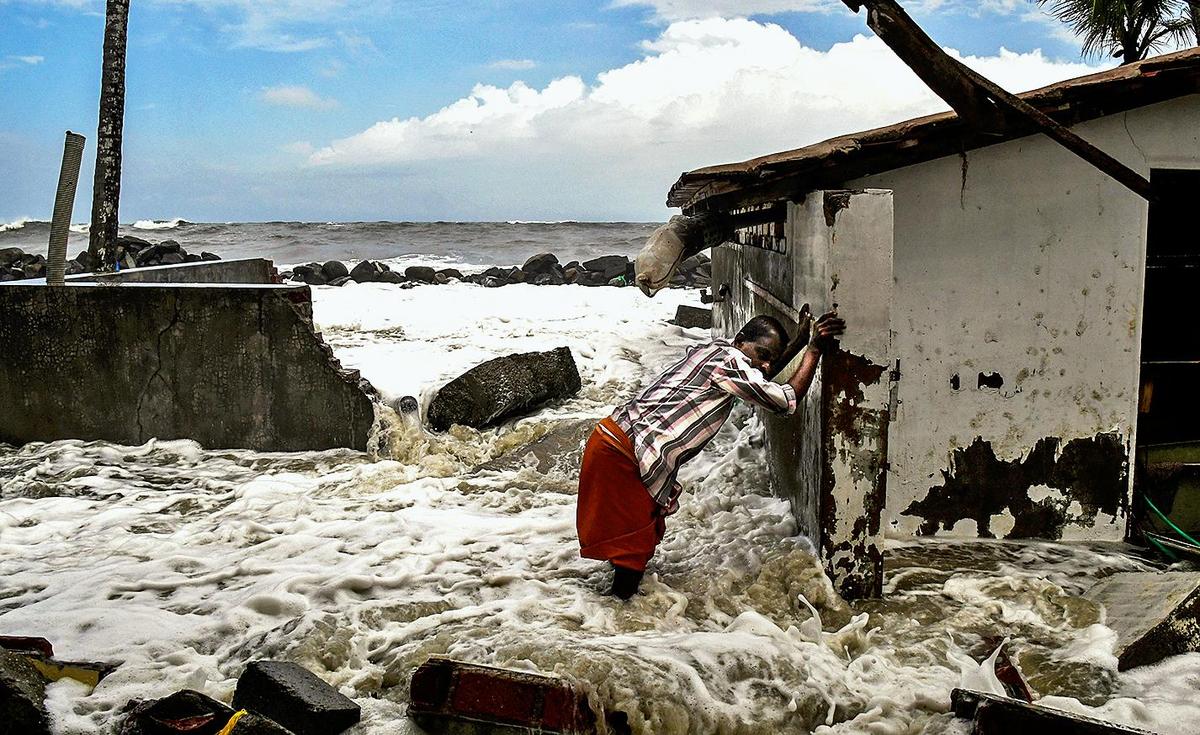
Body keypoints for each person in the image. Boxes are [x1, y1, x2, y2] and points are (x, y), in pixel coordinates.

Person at [576, 308, 846, 599]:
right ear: (740, 342)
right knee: (633, 546)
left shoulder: (718, 351)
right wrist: (813, 350)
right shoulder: (731, 363)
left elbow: (760, 377)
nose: (766, 365)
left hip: (614, 439)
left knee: (630, 536)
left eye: (770, 358)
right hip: (625, 452)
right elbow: (784, 400)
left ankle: (609, 609)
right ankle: (619, 612)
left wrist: (798, 343)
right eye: (763, 354)